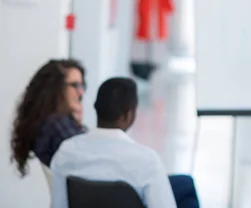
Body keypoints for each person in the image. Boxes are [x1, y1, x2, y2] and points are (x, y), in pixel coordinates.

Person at [50, 77, 200, 208]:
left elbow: (59, 205)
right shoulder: (147, 160)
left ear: (96, 109)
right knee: (185, 186)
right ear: (129, 114)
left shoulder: (66, 151)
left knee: (183, 183)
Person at [11, 59, 86, 175]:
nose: (81, 92)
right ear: (56, 87)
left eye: (82, 85)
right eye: (75, 85)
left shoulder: (46, 122)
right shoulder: (56, 124)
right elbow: (88, 159)